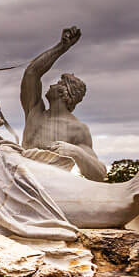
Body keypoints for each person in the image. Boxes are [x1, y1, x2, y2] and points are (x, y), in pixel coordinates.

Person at [20, 26, 107, 180]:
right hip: (22, 181)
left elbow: (99, 174)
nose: (52, 85)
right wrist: (62, 47)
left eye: (58, 83)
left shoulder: (77, 128)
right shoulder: (35, 111)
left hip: (53, 187)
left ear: (65, 92)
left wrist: (76, 152)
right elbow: (31, 73)